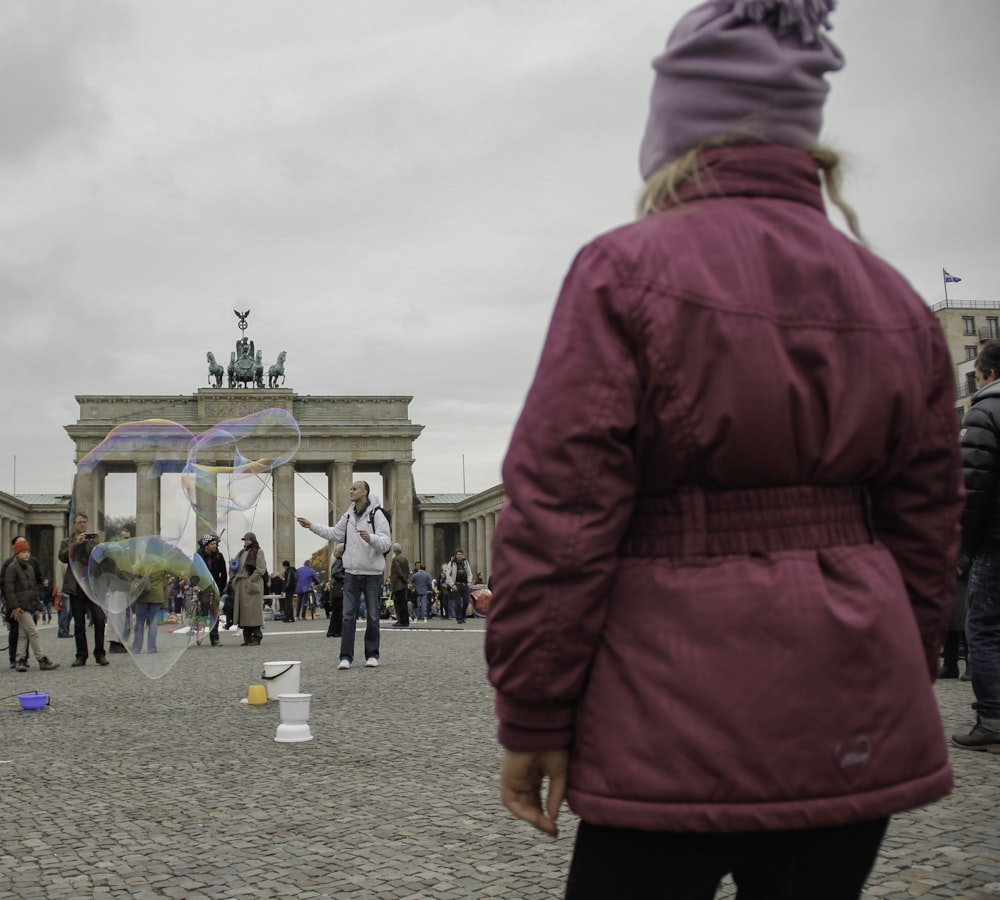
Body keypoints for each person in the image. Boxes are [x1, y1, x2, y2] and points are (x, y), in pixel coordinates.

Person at [484, 3, 965, 897]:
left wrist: (534, 709)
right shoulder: (896, 299)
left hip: (670, 720)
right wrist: (901, 667)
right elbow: (929, 530)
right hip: (850, 712)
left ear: (673, 133)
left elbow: (560, 514)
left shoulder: (621, 273)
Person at [953, 340, 1000, 750]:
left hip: (995, 541)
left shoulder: (984, 411)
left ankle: (993, 719)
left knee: (984, 627)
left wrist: (963, 549)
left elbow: (974, 487)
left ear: (984, 374)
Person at [296, 480, 391, 669]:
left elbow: (386, 543)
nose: (351, 491)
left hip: (372, 573)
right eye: (351, 488)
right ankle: (345, 657)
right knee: (347, 616)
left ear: (364, 492)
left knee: (373, 615)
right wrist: (311, 526)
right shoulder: (348, 515)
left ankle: (372, 654)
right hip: (351, 573)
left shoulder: (377, 514)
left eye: (354, 488)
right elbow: (334, 533)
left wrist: (370, 538)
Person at [59, 512, 109, 667]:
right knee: (79, 623)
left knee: (100, 618)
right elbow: (62, 557)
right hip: (76, 587)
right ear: (74, 524)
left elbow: (101, 561)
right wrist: (76, 544)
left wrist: (99, 546)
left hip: (91, 586)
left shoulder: (91, 542)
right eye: (80, 522)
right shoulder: (67, 542)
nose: (83, 525)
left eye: (85, 522)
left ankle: (99, 653)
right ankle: (81, 655)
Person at [4, 539, 59, 672]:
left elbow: (33, 589)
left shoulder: (29, 568)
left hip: (28, 606)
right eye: (23, 552)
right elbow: (9, 589)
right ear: (17, 553)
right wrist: (15, 607)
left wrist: (38, 607)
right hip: (20, 607)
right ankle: (41, 659)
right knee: (33, 632)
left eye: (28, 551)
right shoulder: (12, 568)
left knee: (24, 634)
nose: (27, 554)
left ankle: (19, 659)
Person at [231, 532, 266, 646]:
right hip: (241, 585)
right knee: (244, 614)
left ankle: (256, 636)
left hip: (251, 585)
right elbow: (234, 566)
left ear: (252, 540)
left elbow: (261, 569)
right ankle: (247, 638)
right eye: (244, 540)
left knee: (253, 613)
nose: (245, 542)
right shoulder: (241, 553)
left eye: (247, 540)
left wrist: (251, 579)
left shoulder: (258, 552)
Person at [196, 533, 228, 647]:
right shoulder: (198, 556)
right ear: (206, 546)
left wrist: (220, 587)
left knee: (214, 613)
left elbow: (223, 574)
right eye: (213, 544)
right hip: (202, 587)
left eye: (216, 543)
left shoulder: (219, 556)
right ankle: (199, 632)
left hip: (215, 588)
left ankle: (215, 638)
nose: (216, 546)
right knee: (204, 612)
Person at [445, 549, 472, 625]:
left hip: (464, 584)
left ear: (462, 555)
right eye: (458, 554)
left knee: (466, 601)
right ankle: (459, 618)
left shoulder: (465, 562)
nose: (459, 556)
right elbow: (448, 575)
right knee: (458, 603)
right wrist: (452, 585)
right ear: (456, 555)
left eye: (461, 554)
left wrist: (469, 581)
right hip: (456, 585)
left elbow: (469, 573)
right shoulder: (451, 563)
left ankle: (463, 615)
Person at [326, 543, 345, 638]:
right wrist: (346, 578)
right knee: (340, 610)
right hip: (340, 588)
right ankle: (338, 631)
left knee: (336, 611)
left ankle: (332, 630)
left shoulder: (336, 560)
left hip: (336, 589)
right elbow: (336, 573)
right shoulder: (340, 561)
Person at [389, 542, 411, 627]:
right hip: (403, 584)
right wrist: (407, 580)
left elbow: (398, 572)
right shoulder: (404, 558)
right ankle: (405, 620)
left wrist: (404, 580)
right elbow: (407, 570)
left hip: (398, 584)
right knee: (403, 603)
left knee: (399, 604)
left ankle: (402, 621)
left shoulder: (396, 559)